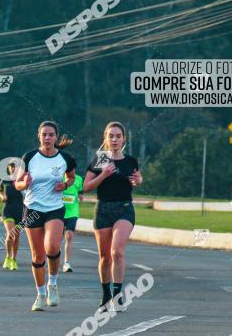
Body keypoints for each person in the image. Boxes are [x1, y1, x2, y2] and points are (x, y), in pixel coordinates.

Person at [14, 121, 76, 312]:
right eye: (44, 134)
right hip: (32, 208)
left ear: (56, 137)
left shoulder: (65, 158)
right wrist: (25, 183)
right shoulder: (30, 157)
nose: (47, 138)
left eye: (51, 134)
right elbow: (17, 184)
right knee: (37, 254)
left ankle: (53, 283)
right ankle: (40, 295)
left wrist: (64, 185)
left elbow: (71, 177)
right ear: (38, 136)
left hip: (55, 208)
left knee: (52, 247)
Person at [82, 121, 141, 311]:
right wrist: (103, 175)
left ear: (124, 138)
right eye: (111, 136)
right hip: (103, 209)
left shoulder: (131, 160)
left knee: (117, 251)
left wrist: (138, 180)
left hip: (124, 208)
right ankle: (106, 295)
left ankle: (118, 295)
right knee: (105, 257)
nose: (114, 139)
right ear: (105, 139)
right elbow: (86, 187)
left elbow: (137, 178)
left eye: (118, 136)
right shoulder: (100, 160)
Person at [0, 161, 24, 270]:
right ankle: (8, 256)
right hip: (8, 210)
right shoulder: (5, 180)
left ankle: (13, 259)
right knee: (10, 234)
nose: (13, 169)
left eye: (15, 167)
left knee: (16, 236)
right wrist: (2, 196)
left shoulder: (23, 181)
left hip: (20, 211)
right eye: (11, 167)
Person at [61, 172, 84, 273]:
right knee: (56, 239)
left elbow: (80, 192)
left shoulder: (78, 179)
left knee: (69, 236)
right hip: (58, 212)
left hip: (72, 213)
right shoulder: (58, 178)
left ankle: (66, 263)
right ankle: (53, 259)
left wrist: (80, 197)